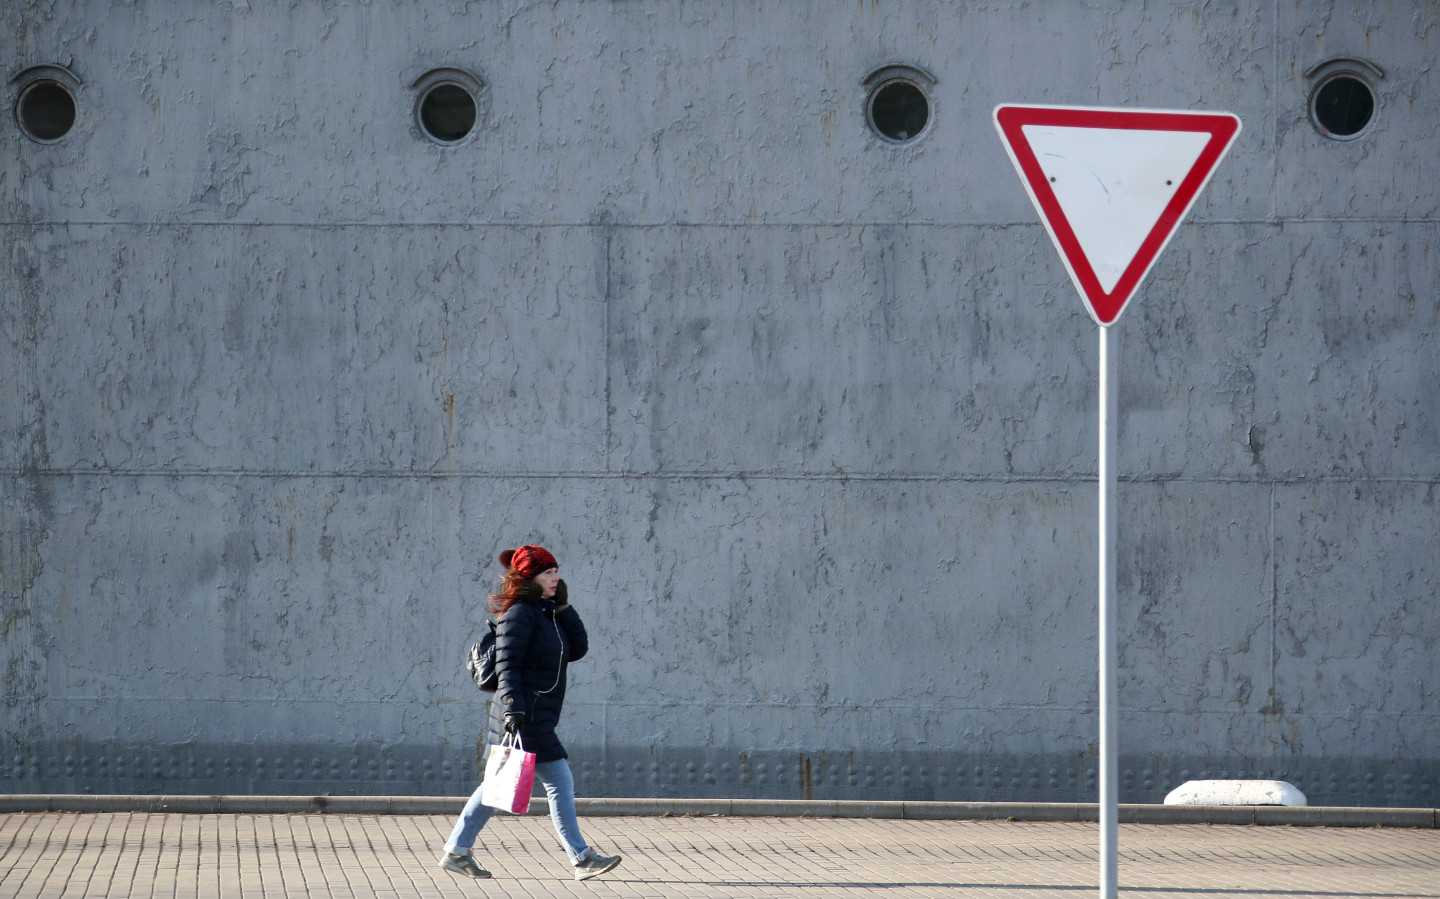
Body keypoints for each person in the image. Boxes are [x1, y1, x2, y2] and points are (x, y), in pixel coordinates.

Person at [438, 544, 622, 882]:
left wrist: (563, 606)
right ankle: (581, 857)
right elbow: (507, 665)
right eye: (549, 572)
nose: (556, 577)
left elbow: (577, 649)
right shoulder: (520, 613)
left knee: (496, 788)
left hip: (535, 713)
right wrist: (513, 708)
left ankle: (457, 851)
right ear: (530, 577)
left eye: (556, 571)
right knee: (557, 781)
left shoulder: (545, 612)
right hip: (523, 714)